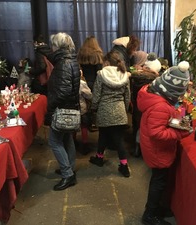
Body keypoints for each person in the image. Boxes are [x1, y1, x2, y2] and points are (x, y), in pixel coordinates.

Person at [137, 61, 192, 225]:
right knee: (158, 183)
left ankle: (157, 207)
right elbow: (157, 132)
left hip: (156, 149)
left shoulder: (158, 98)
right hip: (158, 151)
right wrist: (179, 132)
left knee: (160, 182)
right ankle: (150, 214)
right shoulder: (160, 106)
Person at [44, 32, 81, 191]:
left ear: (58, 46)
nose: (51, 47)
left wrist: (50, 109)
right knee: (66, 138)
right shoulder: (70, 59)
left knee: (54, 141)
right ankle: (69, 168)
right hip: (70, 107)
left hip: (62, 108)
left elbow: (63, 91)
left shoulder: (63, 63)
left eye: (53, 44)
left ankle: (67, 174)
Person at [89, 51, 131, 177]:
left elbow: (96, 94)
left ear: (106, 62)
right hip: (119, 111)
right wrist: (125, 109)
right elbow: (127, 96)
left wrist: (94, 108)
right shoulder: (124, 75)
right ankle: (123, 165)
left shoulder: (101, 75)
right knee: (119, 140)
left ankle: (100, 158)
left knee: (103, 135)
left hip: (104, 110)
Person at [130, 51, 161, 157]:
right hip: (149, 108)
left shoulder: (135, 77)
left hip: (137, 106)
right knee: (146, 128)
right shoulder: (155, 81)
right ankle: (144, 150)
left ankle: (135, 148)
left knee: (136, 126)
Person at [77, 70, 93, 155]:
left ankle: (73, 142)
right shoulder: (81, 83)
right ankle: (85, 145)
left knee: (73, 127)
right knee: (84, 126)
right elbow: (89, 95)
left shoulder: (66, 81)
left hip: (71, 107)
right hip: (81, 108)